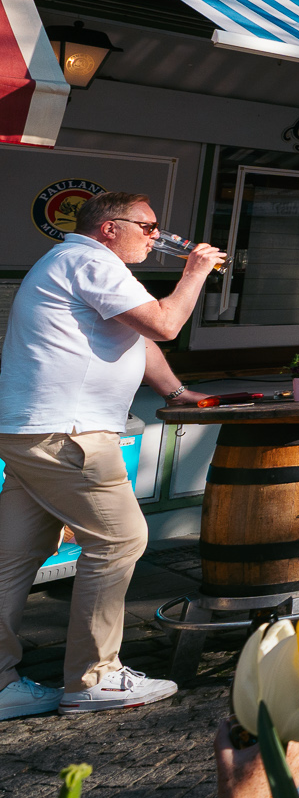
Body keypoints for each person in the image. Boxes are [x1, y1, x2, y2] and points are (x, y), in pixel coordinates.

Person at [0, 191, 222, 718]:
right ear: (108, 228)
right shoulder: (90, 260)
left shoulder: (82, 264)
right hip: (69, 432)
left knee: (11, 561)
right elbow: (165, 324)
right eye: (146, 227)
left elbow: (139, 338)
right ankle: (93, 678)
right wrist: (195, 271)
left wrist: (174, 393)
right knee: (121, 539)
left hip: (31, 429)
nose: (154, 236)